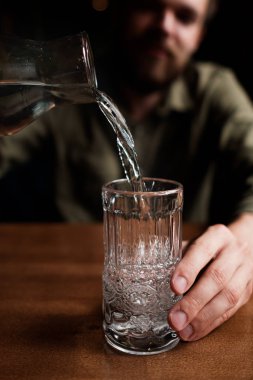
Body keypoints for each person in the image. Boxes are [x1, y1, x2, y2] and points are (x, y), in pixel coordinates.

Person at [0, 0, 253, 341]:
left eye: (185, 16)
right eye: (150, 5)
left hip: (175, 304)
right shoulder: (66, 87)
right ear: (122, 11)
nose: (164, 25)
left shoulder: (214, 91)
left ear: (199, 36)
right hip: (64, 289)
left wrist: (247, 236)